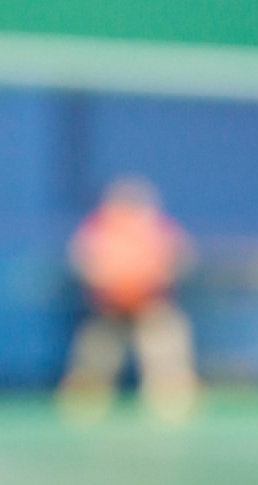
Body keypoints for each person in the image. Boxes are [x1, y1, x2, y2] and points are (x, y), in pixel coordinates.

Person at [56, 176, 198, 422]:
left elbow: (180, 259)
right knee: (96, 351)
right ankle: (84, 400)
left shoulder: (159, 230)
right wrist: (115, 281)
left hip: (152, 305)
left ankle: (172, 398)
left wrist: (146, 278)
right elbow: (84, 262)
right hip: (110, 309)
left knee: (166, 341)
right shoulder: (98, 230)